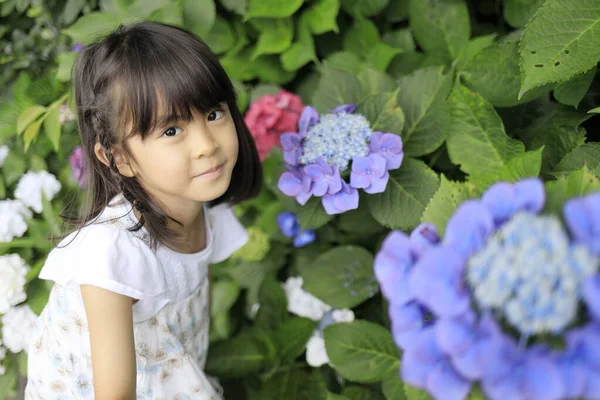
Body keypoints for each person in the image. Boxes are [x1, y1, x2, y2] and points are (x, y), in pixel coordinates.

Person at [24, 21, 262, 400]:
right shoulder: (111, 254)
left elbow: (193, 297)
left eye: (214, 113)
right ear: (117, 157)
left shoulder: (203, 205)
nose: (206, 144)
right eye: (171, 131)